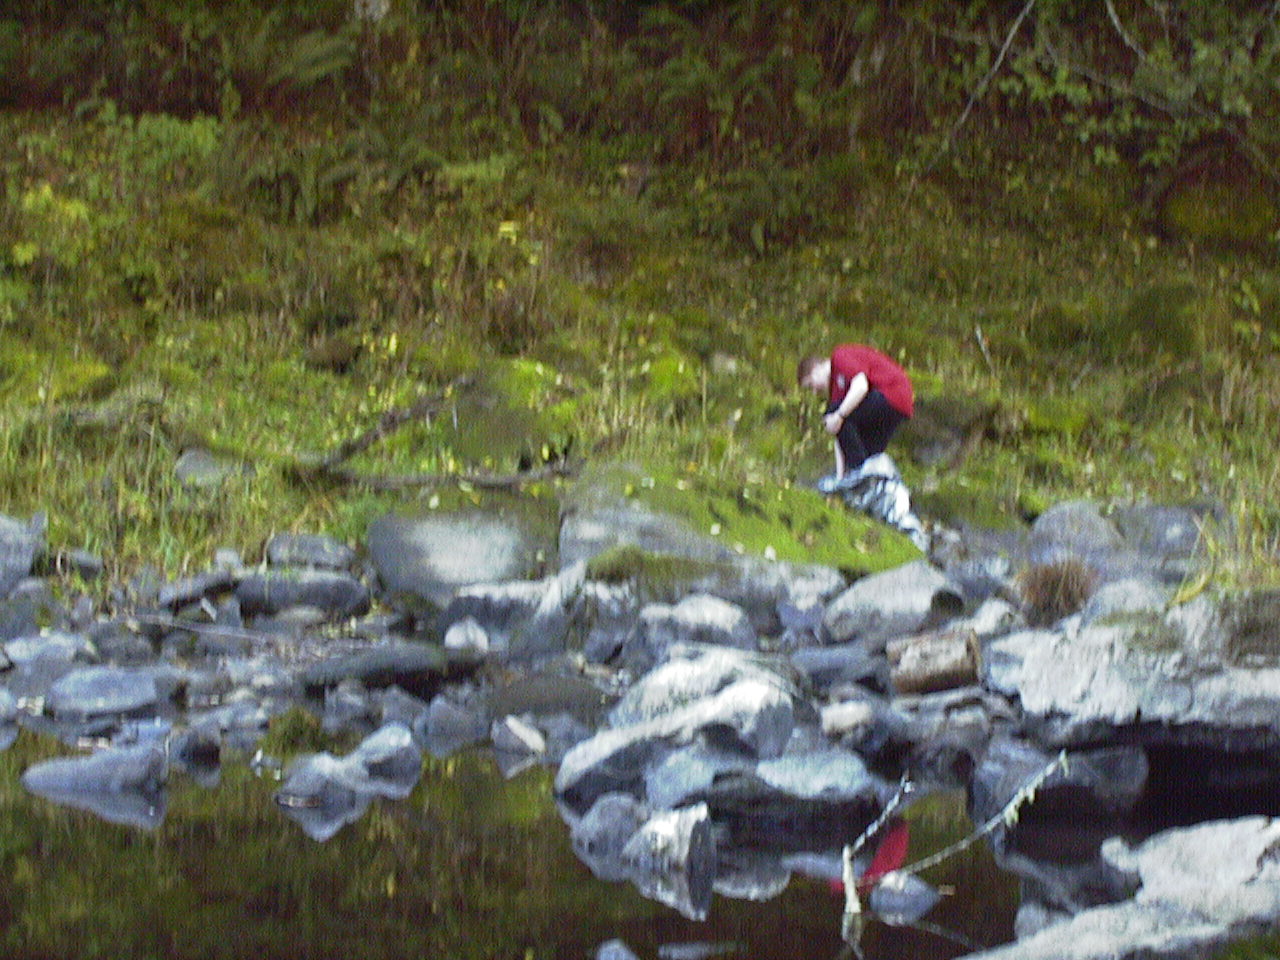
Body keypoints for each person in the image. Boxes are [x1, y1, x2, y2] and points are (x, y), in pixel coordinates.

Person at [797, 343, 913, 480]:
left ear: (816, 370)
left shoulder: (839, 357)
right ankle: (869, 478)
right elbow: (838, 432)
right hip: (896, 407)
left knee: (834, 412)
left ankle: (859, 474)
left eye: (811, 385)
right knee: (867, 452)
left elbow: (861, 387)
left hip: (892, 392)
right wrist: (840, 476)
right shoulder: (836, 392)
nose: (815, 391)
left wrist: (839, 415)